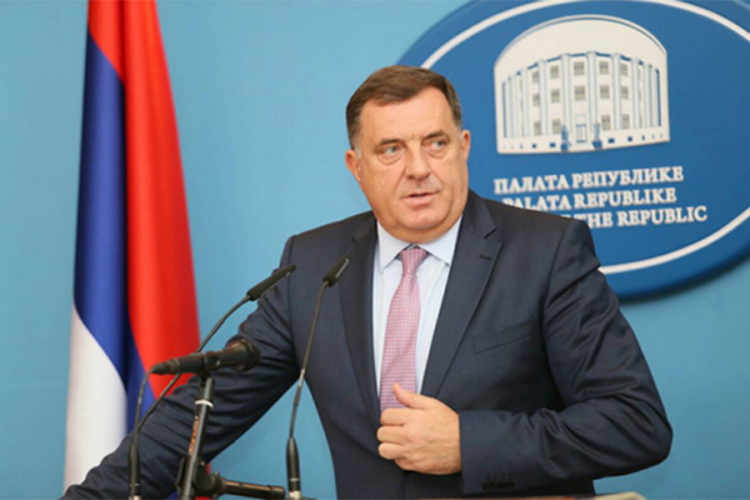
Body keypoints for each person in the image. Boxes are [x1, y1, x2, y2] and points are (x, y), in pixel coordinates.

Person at [64, 66, 671, 499]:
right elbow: (202, 413)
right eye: (391, 150)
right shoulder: (312, 265)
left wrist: (470, 443)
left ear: (463, 148)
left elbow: (634, 423)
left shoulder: (545, 252)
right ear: (357, 167)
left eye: (435, 143)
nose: (419, 169)